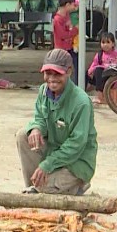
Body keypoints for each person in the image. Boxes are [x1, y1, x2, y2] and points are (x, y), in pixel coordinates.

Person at [16, 49, 97, 195]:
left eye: (57, 74)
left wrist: (47, 164)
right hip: (54, 153)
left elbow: (76, 145)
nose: (52, 79)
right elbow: (40, 117)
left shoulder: (81, 102)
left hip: (76, 162)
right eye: (48, 73)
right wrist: (36, 128)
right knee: (23, 135)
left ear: (69, 72)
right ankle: (34, 186)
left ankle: (77, 184)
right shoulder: (43, 91)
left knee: (45, 188)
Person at [86, 30, 117, 104]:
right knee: (91, 72)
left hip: (111, 78)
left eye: (108, 42)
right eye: (103, 42)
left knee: (99, 69)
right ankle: (84, 92)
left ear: (113, 44)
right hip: (101, 78)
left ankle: (99, 96)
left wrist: (103, 66)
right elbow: (94, 64)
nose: (105, 44)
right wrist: (90, 70)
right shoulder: (99, 55)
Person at [52, 0, 80, 83]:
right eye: (73, 4)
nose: (74, 6)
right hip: (61, 48)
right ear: (67, 5)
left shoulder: (67, 15)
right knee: (62, 69)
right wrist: (75, 30)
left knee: (76, 65)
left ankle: (76, 84)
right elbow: (62, 35)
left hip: (70, 46)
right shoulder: (57, 19)